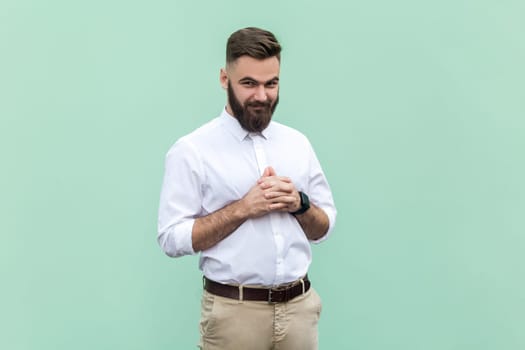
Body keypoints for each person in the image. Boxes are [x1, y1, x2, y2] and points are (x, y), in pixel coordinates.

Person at [157, 27, 337, 350]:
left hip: (299, 311)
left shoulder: (298, 144)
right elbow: (170, 238)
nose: (262, 96)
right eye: (249, 84)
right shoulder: (192, 150)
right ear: (225, 79)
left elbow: (324, 227)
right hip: (234, 316)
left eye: (272, 83)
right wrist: (243, 208)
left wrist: (299, 203)